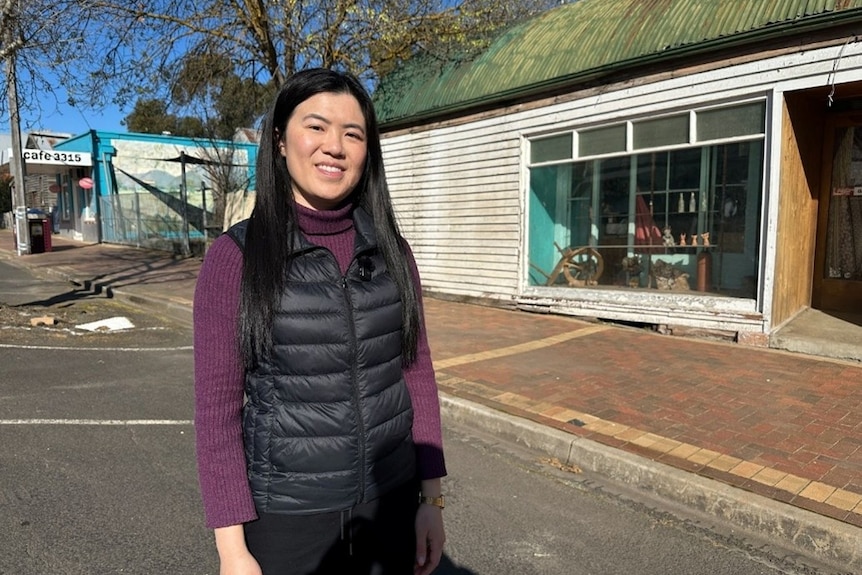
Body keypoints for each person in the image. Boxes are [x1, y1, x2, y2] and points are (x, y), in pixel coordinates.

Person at [193, 68, 447, 575]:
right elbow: (216, 414)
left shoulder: (393, 251)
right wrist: (232, 550)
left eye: (353, 134)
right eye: (316, 126)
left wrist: (431, 501)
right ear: (280, 141)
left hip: (391, 503)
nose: (335, 146)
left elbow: (415, 373)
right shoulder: (235, 258)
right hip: (286, 519)